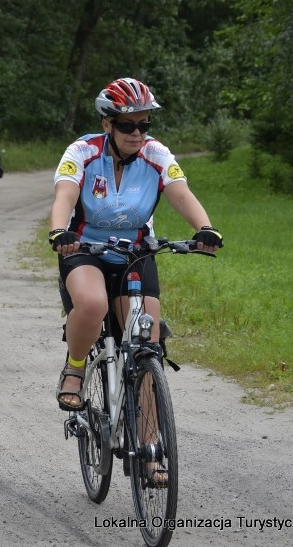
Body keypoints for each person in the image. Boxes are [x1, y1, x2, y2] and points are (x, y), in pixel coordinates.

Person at [49, 76, 223, 416]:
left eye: (144, 125)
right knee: (93, 304)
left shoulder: (156, 153)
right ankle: (75, 366)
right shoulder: (83, 152)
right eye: (127, 125)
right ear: (107, 123)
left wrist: (205, 228)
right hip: (84, 249)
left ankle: (152, 448)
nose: (137, 133)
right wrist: (59, 231)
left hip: (136, 252)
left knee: (148, 345)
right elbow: (64, 196)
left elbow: (181, 194)